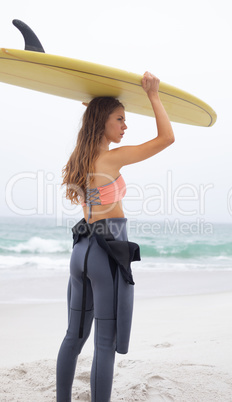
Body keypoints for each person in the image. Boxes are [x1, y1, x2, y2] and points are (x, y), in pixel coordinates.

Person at [56, 71, 175, 402]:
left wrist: (96, 108)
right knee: (104, 342)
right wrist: (153, 95)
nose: (125, 126)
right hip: (105, 254)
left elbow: (96, 127)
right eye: (119, 119)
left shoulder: (80, 158)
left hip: (81, 253)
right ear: (102, 122)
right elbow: (166, 138)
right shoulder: (111, 159)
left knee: (73, 336)